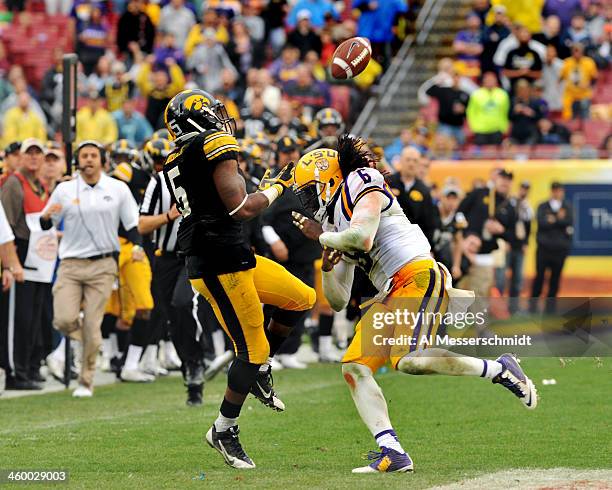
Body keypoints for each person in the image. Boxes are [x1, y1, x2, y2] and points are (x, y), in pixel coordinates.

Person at [292, 135, 537, 474]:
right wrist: (329, 262)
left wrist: (323, 236)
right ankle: (391, 450)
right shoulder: (334, 224)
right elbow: (336, 300)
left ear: (329, 178)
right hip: (389, 292)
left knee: (410, 360)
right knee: (354, 367)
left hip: (416, 273)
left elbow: (362, 237)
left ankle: (500, 368)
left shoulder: (360, 180)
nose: (309, 200)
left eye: (309, 190)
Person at [162, 89, 316, 468]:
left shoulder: (177, 156)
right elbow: (241, 207)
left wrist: (257, 186)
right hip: (219, 265)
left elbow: (222, 201)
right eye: (211, 111)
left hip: (233, 255)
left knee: (301, 297)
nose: (219, 117)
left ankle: (259, 371)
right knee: (252, 350)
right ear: (196, 119)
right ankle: (224, 428)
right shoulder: (212, 142)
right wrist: (276, 188)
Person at [40, 140, 142, 398]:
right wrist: (45, 217)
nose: (88, 160)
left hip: (103, 264)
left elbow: (131, 223)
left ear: (102, 160)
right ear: (77, 161)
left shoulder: (117, 188)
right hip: (71, 263)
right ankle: (83, 335)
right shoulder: (64, 190)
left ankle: (85, 381)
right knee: (62, 319)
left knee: (94, 324)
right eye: (84, 155)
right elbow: (45, 222)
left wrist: (138, 247)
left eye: (93, 155)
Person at [138, 137, 210, 405]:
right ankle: (191, 372)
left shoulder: (207, 179)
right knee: (171, 319)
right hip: (165, 258)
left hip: (193, 256)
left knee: (182, 304)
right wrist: (169, 216)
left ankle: (198, 360)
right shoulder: (159, 182)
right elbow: (142, 224)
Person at [0, 139, 56, 390]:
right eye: (28, 153)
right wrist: (8, 264)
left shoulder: (42, 186)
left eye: (38, 154)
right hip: (20, 256)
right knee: (19, 320)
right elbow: (6, 227)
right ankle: (16, 372)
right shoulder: (14, 184)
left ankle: (30, 367)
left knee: (35, 318)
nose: (34, 158)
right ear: (20, 158)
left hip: (40, 260)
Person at [531, 182, 573, 311]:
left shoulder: (567, 207)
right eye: (555, 190)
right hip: (544, 248)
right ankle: (533, 305)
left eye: (559, 190)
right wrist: (559, 220)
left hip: (560, 249)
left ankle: (550, 308)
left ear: (562, 192)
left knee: (555, 278)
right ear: (551, 191)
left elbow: (569, 221)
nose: (557, 193)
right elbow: (542, 223)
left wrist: (553, 219)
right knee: (539, 277)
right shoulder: (543, 206)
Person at [386, 146, 438, 245]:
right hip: (388, 239)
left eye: (415, 161)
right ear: (401, 161)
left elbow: (429, 223)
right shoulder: (387, 182)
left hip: (413, 243)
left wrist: (427, 247)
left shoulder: (424, 191)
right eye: (408, 160)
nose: (411, 164)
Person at [466, 71, 510, 145]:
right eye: (488, 79)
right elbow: (470, 112)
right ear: (483, 81)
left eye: (492, 79)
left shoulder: (503, 94)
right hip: (480, 130)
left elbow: (505, 111)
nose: (490, 81)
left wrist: (504, 127)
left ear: (496, 81)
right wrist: (473, 127)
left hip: (497, 129)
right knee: (481, 154)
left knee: (496, 153)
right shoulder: (476, 94)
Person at [559, 42, 598, 120]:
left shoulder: (589, 62)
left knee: (585, 118)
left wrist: (589, 84)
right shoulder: (567, 62)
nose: (577, 53)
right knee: (569, 118)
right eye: (575, 51)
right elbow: (560, 79)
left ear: (582, 52)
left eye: (578, 51)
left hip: (584, 94)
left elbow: (595, 78)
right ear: (572, 52)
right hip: (570, 95)